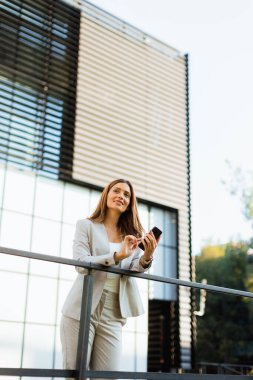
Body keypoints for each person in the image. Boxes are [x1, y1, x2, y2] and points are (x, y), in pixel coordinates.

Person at [60, 178, 159, 376]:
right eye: (117, 191)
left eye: (126, 195)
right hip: (82, 307)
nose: (121, 196)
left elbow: (133, 268)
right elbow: (81, 263)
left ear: (130, 203)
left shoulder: (132, 235)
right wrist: (116, 256)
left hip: (114, 311)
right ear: (107, 195)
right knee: (75, 374)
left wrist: (147, 256)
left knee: (108, 375)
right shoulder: (85, 226)